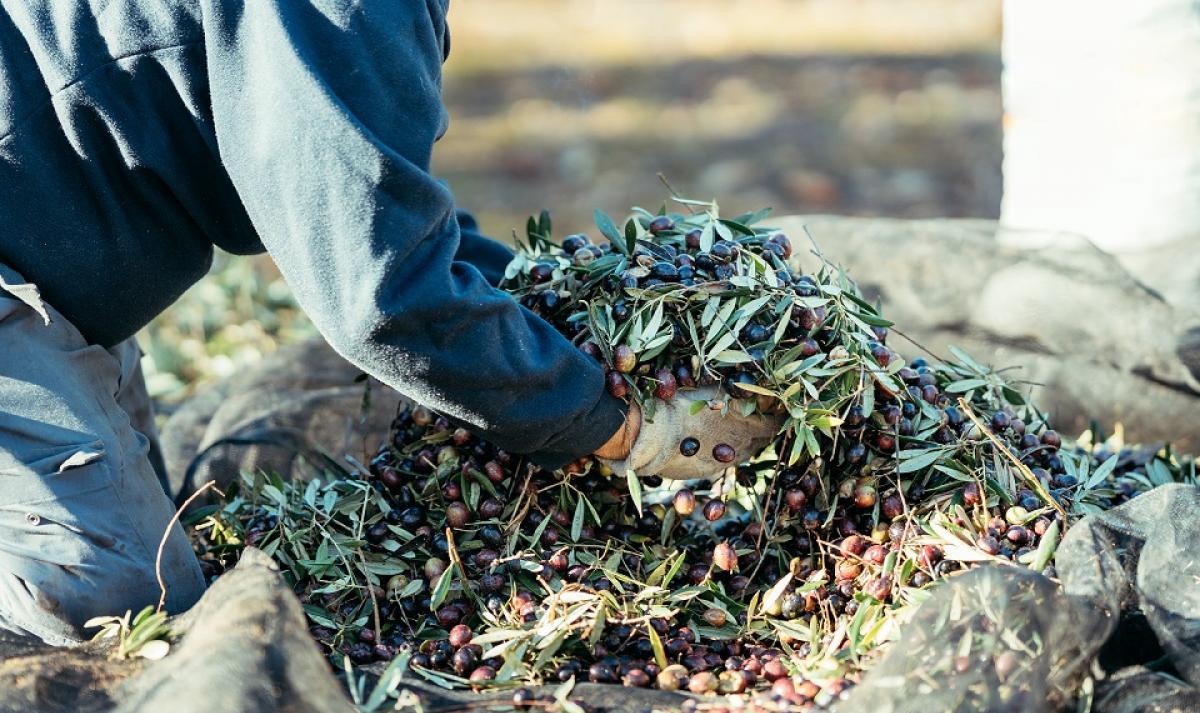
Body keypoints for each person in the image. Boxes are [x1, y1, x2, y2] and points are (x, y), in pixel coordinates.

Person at [0, 1, 772, 644]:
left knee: (157, 547)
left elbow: (372, 201)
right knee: (116, 604)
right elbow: (383, 293)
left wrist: (555, 308)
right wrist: (620, 426)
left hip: (50, 268)